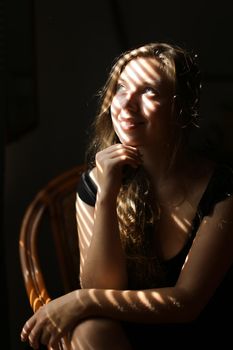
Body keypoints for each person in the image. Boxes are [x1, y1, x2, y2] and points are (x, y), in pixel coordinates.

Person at [21, 42, 233, 349]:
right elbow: (102, 287)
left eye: (148, 91)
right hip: (126, 336)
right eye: (121, 88)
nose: (126, 105)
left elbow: (187, 303)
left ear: (180, 108)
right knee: (91, 330)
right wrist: (108, 192)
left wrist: (81, 300)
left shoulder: (221, 190)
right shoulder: (95, 184)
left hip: (200, 333)